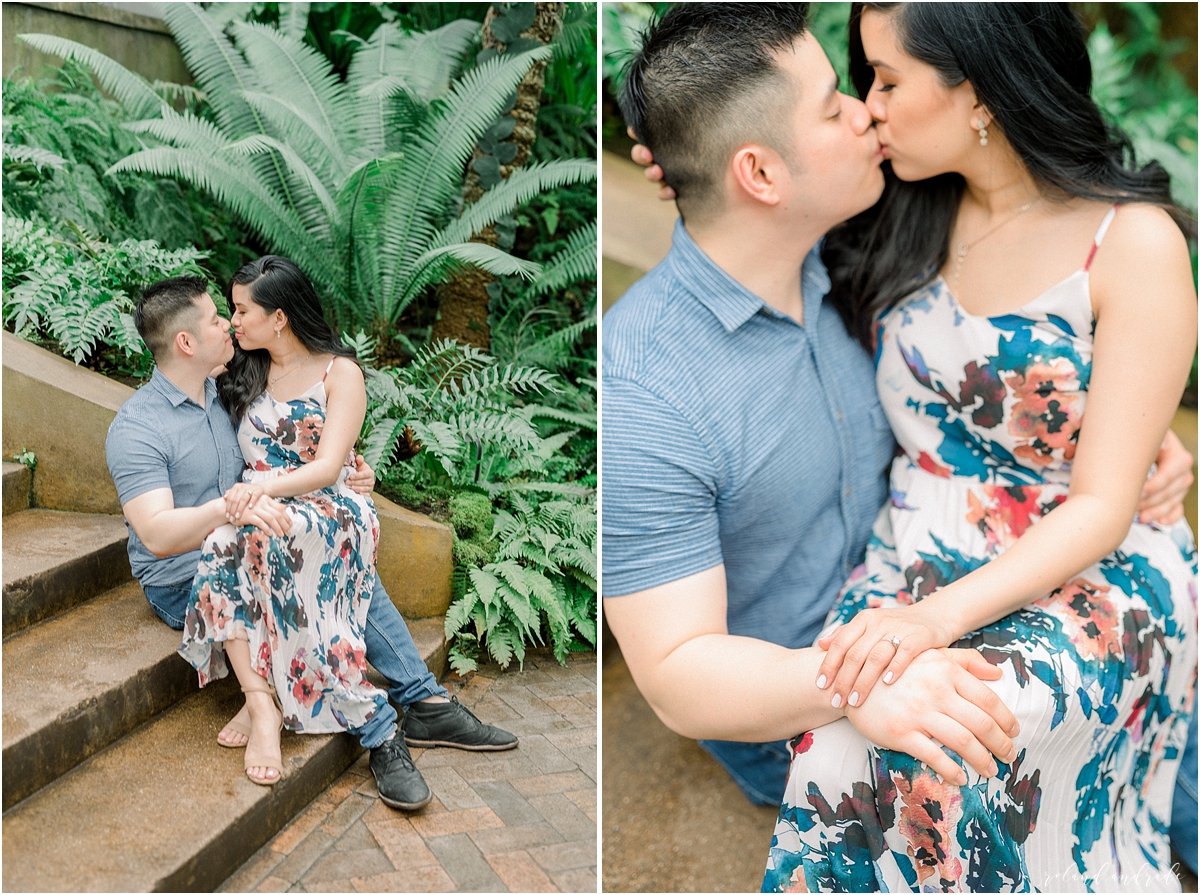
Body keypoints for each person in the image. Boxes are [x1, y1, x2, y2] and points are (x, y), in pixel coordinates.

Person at [601, 1, 1196, 888]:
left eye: (877, 84)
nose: (866, 112)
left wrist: (1130, 437)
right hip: (847, 639)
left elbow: (1078, 455)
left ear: (981, 93)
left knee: (1036, 759)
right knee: (890, 761)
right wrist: (700, 158)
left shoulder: (864, 221)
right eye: (843, 95)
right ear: (760, 173)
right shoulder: (668, 372)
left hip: (1051, 573)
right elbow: (679, 677)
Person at [106, 271, 516, 806]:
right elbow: (159, 538)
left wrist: (347, 471)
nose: (230, 323)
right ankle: (340, 718)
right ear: (186, 342)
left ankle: (417, 702)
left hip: (262, 539)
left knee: (326, 549)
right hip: (184, 575)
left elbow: (292, 442)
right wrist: (236, 506)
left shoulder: (227, 386)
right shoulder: (138, 427)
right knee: (285, 562)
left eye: (233, 312)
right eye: (217, 318)